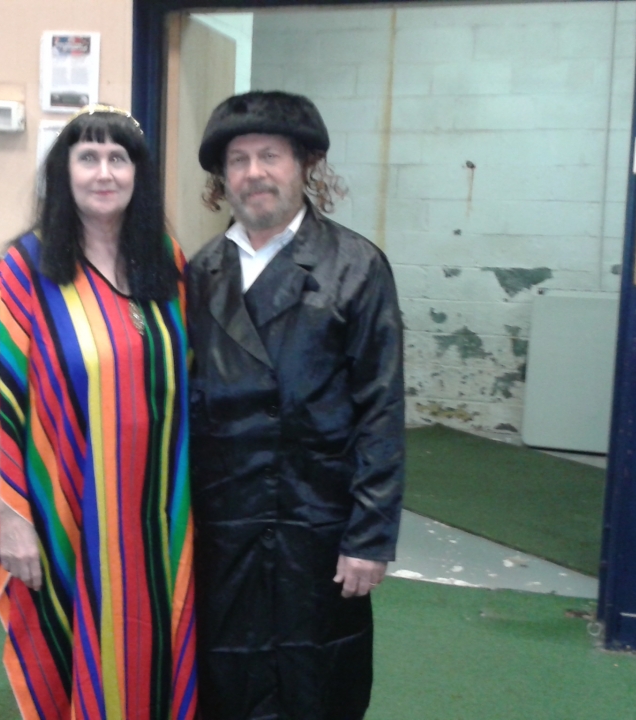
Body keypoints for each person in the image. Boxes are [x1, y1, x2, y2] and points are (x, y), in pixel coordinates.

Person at [0, 106, 197, 720]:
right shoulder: (23, 274)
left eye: (119, 158)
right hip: (69, 509)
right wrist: (14, 520)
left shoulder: (166, 263)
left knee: (160, 645)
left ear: (138, 174)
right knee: (78, 647)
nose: (104, 172)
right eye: (88, 158)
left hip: (162, 510)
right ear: (63, 173)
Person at [186, 90, 406, 719]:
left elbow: (381, 410)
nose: (254, 172)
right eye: (238, 159)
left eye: (270, 156)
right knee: (228, 675)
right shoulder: (199, 273)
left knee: (317, 678)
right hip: (224, 521)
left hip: (319, 520)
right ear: (222, 177)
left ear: (305, 164)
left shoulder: (356, 268)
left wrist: (370, 536)